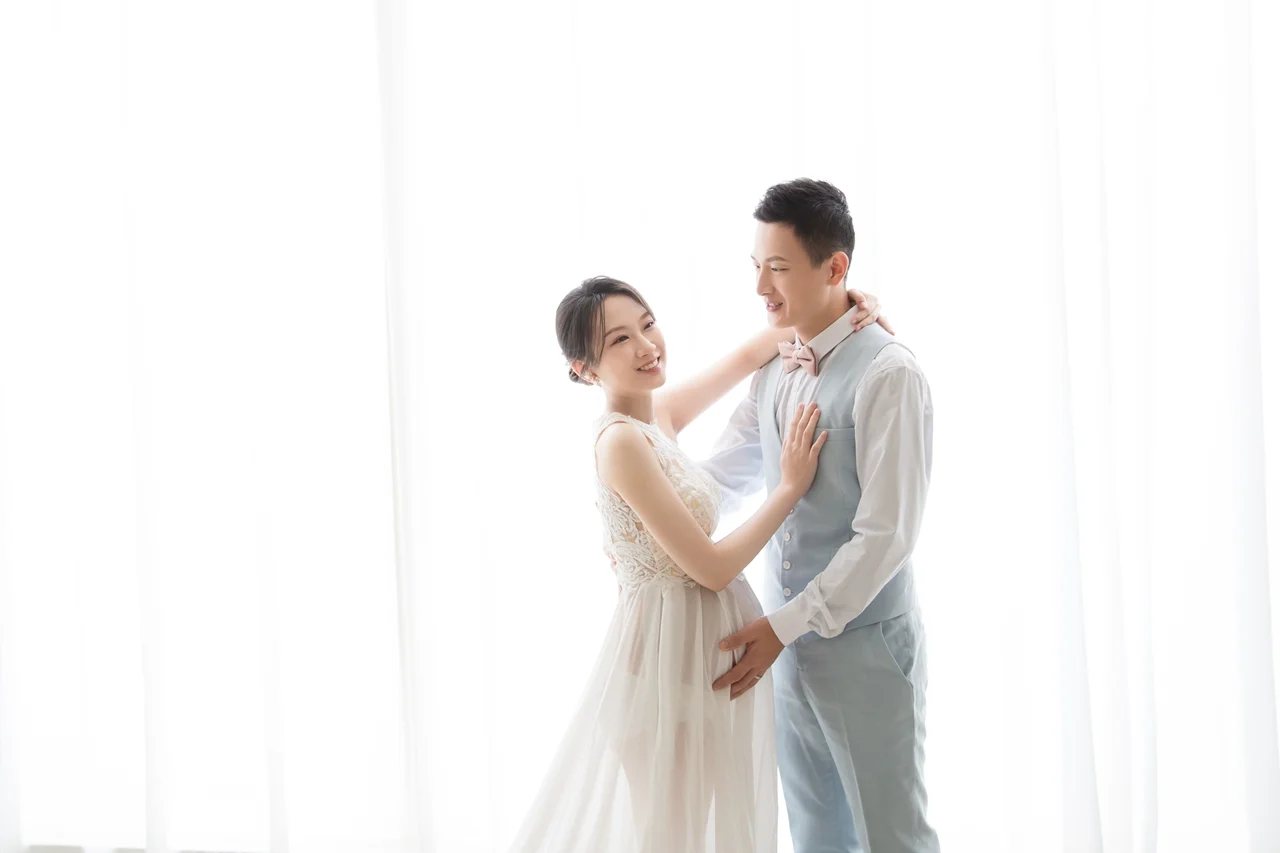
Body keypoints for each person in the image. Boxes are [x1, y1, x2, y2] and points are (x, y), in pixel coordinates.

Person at [504, 274, 891, 853]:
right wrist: (789, 487)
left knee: (705, 834)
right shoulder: (621, 442)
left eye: (648, 324)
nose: (646, 346)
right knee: (674, 839)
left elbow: (756, 349)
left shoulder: (655, 416)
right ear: (584, 369)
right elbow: (710, 569)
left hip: (698, 664)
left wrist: (854, 303)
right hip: (660, 673)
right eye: (619, 340)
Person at [706, 178, 940, 853]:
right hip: (786, 655)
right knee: (815, 837)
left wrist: (783, 626)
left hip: (866, 652)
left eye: (777, 268)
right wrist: (645, 522)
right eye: (757, 266)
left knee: (892, 837)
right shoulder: (775, 369)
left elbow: (887, 536)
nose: (761, 288)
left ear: (836, 268)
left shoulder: (890, 374)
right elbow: (722, 477)